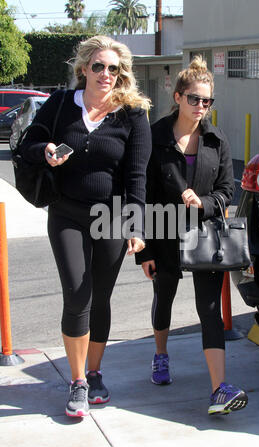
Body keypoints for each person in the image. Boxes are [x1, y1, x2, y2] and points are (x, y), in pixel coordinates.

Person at [20, 35, 152, 418]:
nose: (106, 74)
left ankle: (95, 373)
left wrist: (135, 224)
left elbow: (137, 176)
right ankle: (77, 381)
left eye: (114, 68)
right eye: (99, 66)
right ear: (83, 69)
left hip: (110, 217)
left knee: (102, 299)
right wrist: (44, 152)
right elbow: (29, 143)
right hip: (66, 213)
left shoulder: (132, 114)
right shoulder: (62, 103)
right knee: (78, 294)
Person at [136, 55, 248, 415]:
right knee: (164, 296)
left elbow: (227, 191)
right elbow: (143, 193)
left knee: (210, 309)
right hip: (164, 233)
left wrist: (203, 202)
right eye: (194, 99)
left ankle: (219, 388)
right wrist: (144, 251)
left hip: (205, 236)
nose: (201, 107)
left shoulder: (216, 140)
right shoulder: (154, 137)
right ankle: (160, 355)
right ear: (178, 96)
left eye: (207, 101)